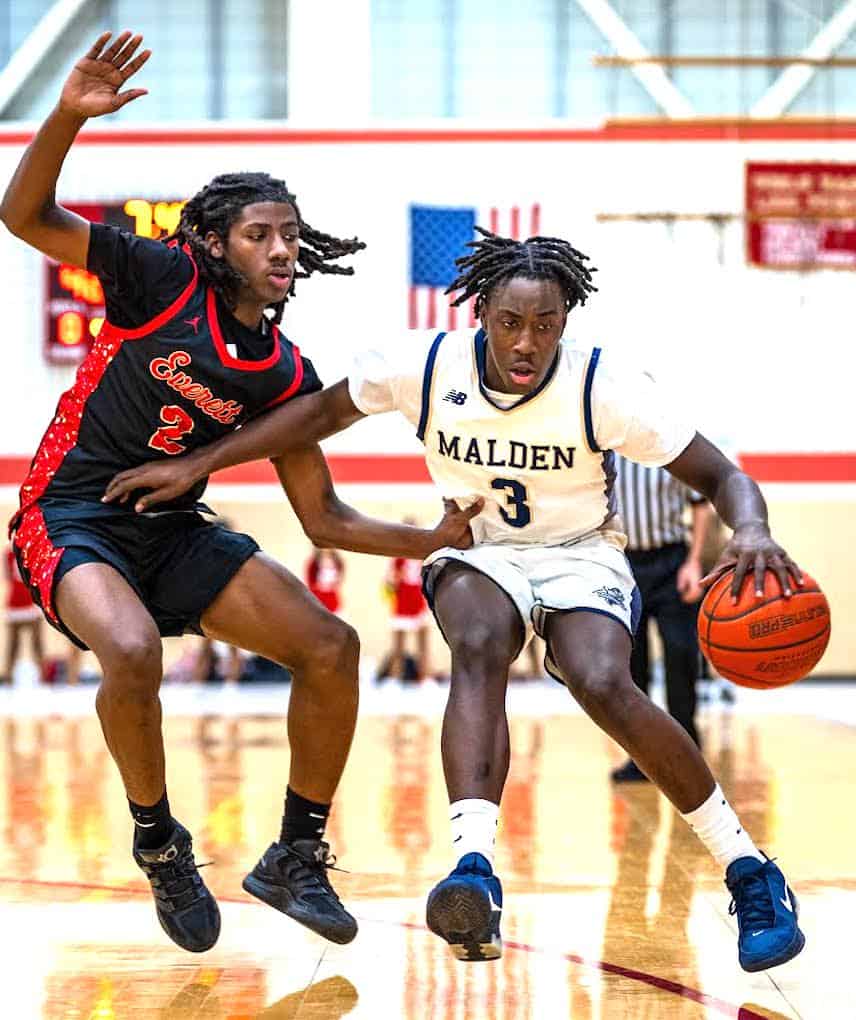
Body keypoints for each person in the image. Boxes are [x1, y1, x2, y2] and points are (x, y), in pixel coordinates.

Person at [103, 227, 806, 975]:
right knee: (478, 643)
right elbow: (309, 419)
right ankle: (473, 869)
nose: (526, 341)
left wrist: (753, 528)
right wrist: (202, 462)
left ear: (567, 319)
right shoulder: (424, 366)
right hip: (480, 549)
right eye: (510, 322)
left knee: (604, 682)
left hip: (580, 553)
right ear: (482, 314)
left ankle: (750, 871)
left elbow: (722, 475)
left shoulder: (605, 385)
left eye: (544, 324)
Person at [0, 31, 480, 955]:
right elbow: (23, 215)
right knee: (132, 649)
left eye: (290, 235)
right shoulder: (160, 278)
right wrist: (66, 114)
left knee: (332, 646)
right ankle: (159, 840)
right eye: (260, 233)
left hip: (172, 529)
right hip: (69, 512)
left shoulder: (286, 372)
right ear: (215, 244)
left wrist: (433, 537)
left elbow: (325, 519)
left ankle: (296, 854)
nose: (282, 248)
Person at [610, 456, 714, 782]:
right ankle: (642, 758)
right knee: (632, 668)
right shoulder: (606, 453)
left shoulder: (667, 450)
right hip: (625, 564)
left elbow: (700, 505)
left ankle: (687, 753)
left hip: (672, 561)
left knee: (681, 657)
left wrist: (694, 562)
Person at [378, 527, 432, 683]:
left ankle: (425, 677)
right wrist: (394, 580)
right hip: (402, 602)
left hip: (418, 601)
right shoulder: (397, 558)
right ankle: (395, 677)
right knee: (398, 645)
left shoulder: (424, 556)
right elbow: (388, 582)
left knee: (423, 643)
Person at [3, 545, 45, 684]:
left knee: (37, 643)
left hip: (31, 602)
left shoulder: (33, 551)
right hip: (15, 603)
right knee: (13, 644)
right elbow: (8, 576)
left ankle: (43, 676)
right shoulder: (8, 554)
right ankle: (8, 676)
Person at [305, 546, 345, 614]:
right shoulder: (313, 563)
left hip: (332, 599)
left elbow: (339, 580)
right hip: (317, 598)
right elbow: (310, 582)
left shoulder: (338, 562)